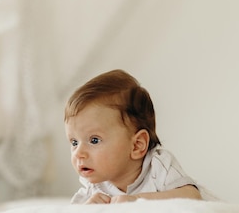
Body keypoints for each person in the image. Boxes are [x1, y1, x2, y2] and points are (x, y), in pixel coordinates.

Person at [64, 69, 214, 204]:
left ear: (137, 145)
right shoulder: (94, 186)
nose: (78, 153)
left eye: (94, 140)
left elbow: (192, 196)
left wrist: (136, 200)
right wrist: (88, 211)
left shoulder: (158, 165)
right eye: (74, 142)